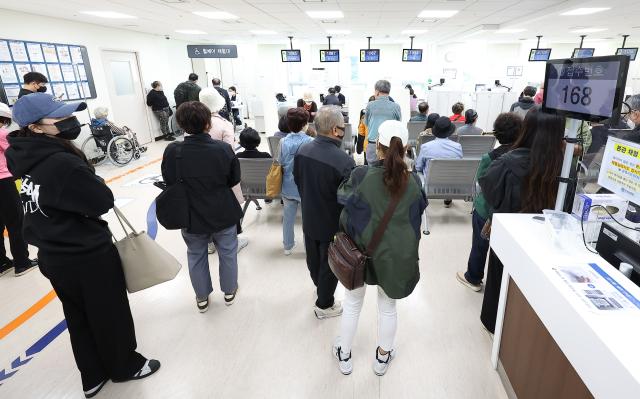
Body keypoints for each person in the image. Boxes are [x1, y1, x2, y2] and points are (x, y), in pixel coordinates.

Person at [6, 93, 160, 398]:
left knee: (77, 315)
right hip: (86, 253)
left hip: (51, 252)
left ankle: (92, 375)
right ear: (36, 127)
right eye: (59, 118)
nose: (70, 122)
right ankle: (125, 366)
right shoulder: (62, 162)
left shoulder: (20, 157)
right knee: (110, 312)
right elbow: (102, 201)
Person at [332, 120, 427, 376]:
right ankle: (383, 357)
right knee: (388, 307)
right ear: (406, 147)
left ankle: (345, 353)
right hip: (394, 257)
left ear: (377, 147)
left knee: (352, 303)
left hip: (359, 253)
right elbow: (419, 210)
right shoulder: (414, 181)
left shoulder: (361, 175)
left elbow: (342, 198)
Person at [479, 108, 565, 333]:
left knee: (500, 279)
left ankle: (493, 323)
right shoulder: (563, 167)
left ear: (527, 128)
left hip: (507, 232)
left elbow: (490, 193)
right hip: (544, 237)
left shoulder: (507, 162)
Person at [162, 101, 242, 313]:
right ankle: (229, 290)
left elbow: (169, 179)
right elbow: (234, 179)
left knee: (195, 254)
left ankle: (202, 297)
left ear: (180, 124)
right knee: (228, 252)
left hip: (189, 213)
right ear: (208, 123)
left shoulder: (173, 151)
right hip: (222, 209)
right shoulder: (223, 149)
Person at [294, 106, 355, 319]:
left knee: (313, 258)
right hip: (332, 222)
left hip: (309, 215)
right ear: (336, 130)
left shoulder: (302, 151)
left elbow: (298, 181)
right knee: (329, 263)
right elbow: (349, 199)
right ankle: (324, 304)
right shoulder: (344, 161)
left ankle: (319, 287)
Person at [456, 113, 524, 292]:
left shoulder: (490, 157)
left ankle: (473, 278)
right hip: (512, 211)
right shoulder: (524, 155)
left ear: (497, 134)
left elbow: (482, 182)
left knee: (480, 244)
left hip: (486, 210)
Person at [0, 102, 38, 276]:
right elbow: (16, 153)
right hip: (5, 181)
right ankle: (22, 263)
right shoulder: (2, 134)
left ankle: (2, 263)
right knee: (16, 222)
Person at [278, 108, 313, 255]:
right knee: (308, 220)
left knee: (288, 217)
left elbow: (279, 162)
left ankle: (287, 246)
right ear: (305, 124)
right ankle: (308, 248)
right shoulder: (311, 142)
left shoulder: (283, 141)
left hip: (287, 186)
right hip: (305, 188)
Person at [415, 116, 462, 208]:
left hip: (430, 184)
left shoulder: (426, 147)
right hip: (451, 184)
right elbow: (457, 165)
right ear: (450, 131)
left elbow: (418, 167)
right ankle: (448, 198)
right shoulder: (457, 147)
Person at [365, 80, 401, 164]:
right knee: (390, 170)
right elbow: (398, 124)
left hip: (373, 144)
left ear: (377, 92)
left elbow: (366, 123)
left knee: (372, 170)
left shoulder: (370, 105)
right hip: (390, 145)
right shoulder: (396, 107)